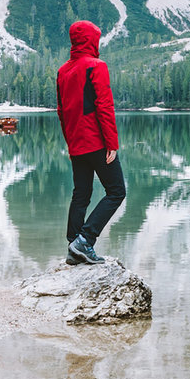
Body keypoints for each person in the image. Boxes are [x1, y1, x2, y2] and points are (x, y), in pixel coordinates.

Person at [56, 19, 125, 265]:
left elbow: (61, 111)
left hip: (76, 142)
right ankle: (85, 241)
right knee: (117, 191)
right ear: (90, 40)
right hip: (96, 141)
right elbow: (104, 106)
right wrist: (112, 143)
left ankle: (73, 246)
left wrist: (69, 141)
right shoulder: (96, 65)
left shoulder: (63, 70)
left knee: (81, 193)